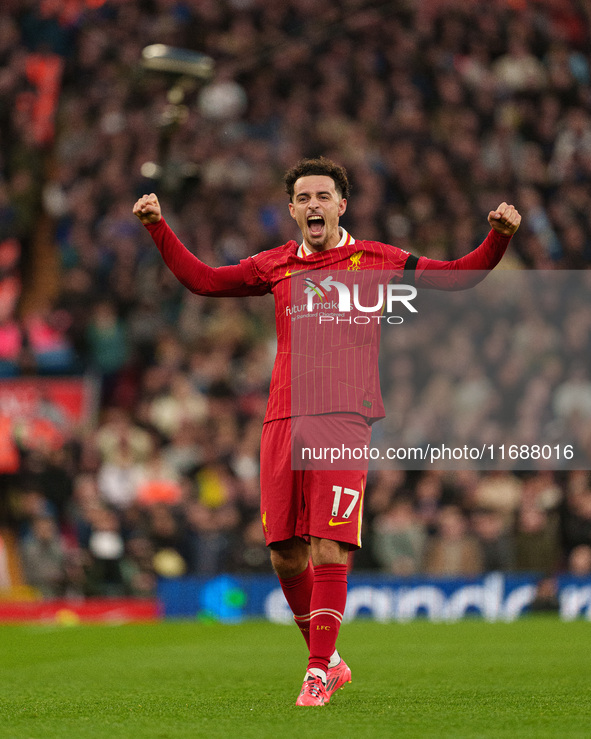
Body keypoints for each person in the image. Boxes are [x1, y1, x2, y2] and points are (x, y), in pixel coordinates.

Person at [133, 156, 521, 706]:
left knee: (330, 541)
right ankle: (330, 660)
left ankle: (316, 671)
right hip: (283, 418)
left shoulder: (375, 259)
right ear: (291, 210)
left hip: (343, 417)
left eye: (323, 196)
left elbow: (457, 276)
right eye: (304, 198)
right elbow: (202, 280)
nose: (314, 205)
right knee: (284, 554)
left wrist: (497, 239)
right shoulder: (275, 265)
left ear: (342, 204)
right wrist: (157, 227)